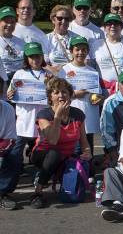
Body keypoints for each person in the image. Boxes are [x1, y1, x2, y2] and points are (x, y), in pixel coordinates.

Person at [32, 77, 91, 208]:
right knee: (54, 154)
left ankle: (56, 177)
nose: (61, 95)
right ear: (50, 97)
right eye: (56, 92)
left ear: (70, 95)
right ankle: (38, 192)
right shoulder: (44, 114)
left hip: (66, 157)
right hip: (43, 155)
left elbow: (84, 141)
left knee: (84, 166)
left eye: (64, 92)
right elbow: (53, 140)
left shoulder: (78, 114)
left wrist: (87, 153)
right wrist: (57, 116)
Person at [8, 42, 51, 177]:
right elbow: (11, 94)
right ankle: (7, 185)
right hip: (24, 121)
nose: (35, 60)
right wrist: (11, 95)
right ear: (26, 58)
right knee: (15, 153)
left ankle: (40, 180)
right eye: (31, 57)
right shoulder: (20, 74)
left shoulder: (48, 74)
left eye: (38, 56)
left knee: (42, 153)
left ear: (42, 57)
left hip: (43, 122)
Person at [59, 37, 101, 154]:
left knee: (88, 150)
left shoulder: (93, 71)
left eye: (83, 50)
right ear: (71, 51)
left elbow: (99, 94)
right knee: (74, 150)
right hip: (71, 116)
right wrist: (73, 94)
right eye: (77, 50)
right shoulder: (64, 70)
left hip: (89, 116)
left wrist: (99, 99)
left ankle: (87, 171)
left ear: (87, 52)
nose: (80, 53)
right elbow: (58, 95)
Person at [91, 13, 123, 95]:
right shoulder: (97, 45)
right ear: (104, 28)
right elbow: (91, 66)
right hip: (102, 90)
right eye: (109, 24)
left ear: (121, 27)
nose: (112, 26)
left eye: (116, 23)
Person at [46, 5, 79, 74]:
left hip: (75, 76)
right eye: (60, 18)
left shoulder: (77, 38)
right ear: (53, 20)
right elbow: (42, 63)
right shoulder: (46, 39)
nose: (63, 21)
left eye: (66, 19)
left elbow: (84, 60)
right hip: (56, 77)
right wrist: (54, 70)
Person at [0, 97, 17, 210]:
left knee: (13, 157)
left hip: (1, 143)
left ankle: (2, 193)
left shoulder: (8, 109)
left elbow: (10, 139)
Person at [0, 6, 25, 82]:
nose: (9, 25)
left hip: (20, 82)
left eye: (12, 22)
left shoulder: (22, 43)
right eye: (6, 21)